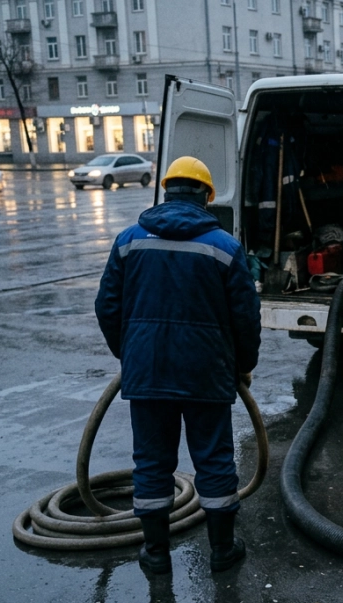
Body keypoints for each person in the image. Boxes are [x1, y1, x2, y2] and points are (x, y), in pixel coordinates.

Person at [95, 156, 262, 575]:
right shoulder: (224, 247)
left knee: (151, 463)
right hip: (207, 372)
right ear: (207, 197)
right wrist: (243, 366)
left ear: (166, 191)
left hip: (147, 371)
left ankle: (155, 554)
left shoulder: (128, 241)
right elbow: (246, 317)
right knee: (214, 459)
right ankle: (222, 551)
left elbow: (107, 307)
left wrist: (129, 353)